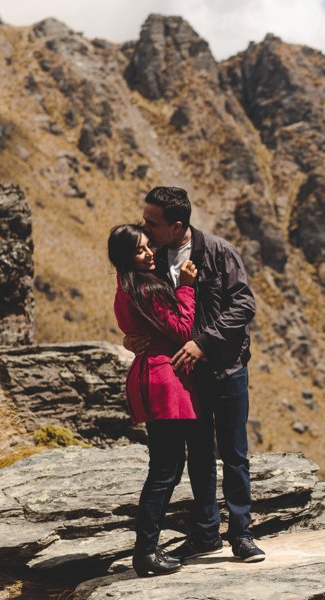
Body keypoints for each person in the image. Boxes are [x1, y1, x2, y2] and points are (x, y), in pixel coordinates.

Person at [126, 186, 265, 563]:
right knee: (200, 455)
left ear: (177, 224)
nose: (146, 228)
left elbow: (244, 305)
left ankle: (242, 535)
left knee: (235, 454)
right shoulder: (152, 260)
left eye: (152, 222)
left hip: (228, 369)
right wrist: (131, 335)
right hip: (185, 378)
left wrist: (202, 342)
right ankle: (206, 534)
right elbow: (149, 309)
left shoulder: (219, 252)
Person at [108, 223, 199, 577]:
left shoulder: (126, 287)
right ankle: (145, 552)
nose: (149, 253)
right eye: (139, 250)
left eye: (149, 246)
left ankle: (148, 548)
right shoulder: (146, 286)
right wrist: (188, 290)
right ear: (124, 258)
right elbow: (181, 330)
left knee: (166, 468)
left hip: (150, 375)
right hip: (164, 379)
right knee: (165, 470)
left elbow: (131, 328)